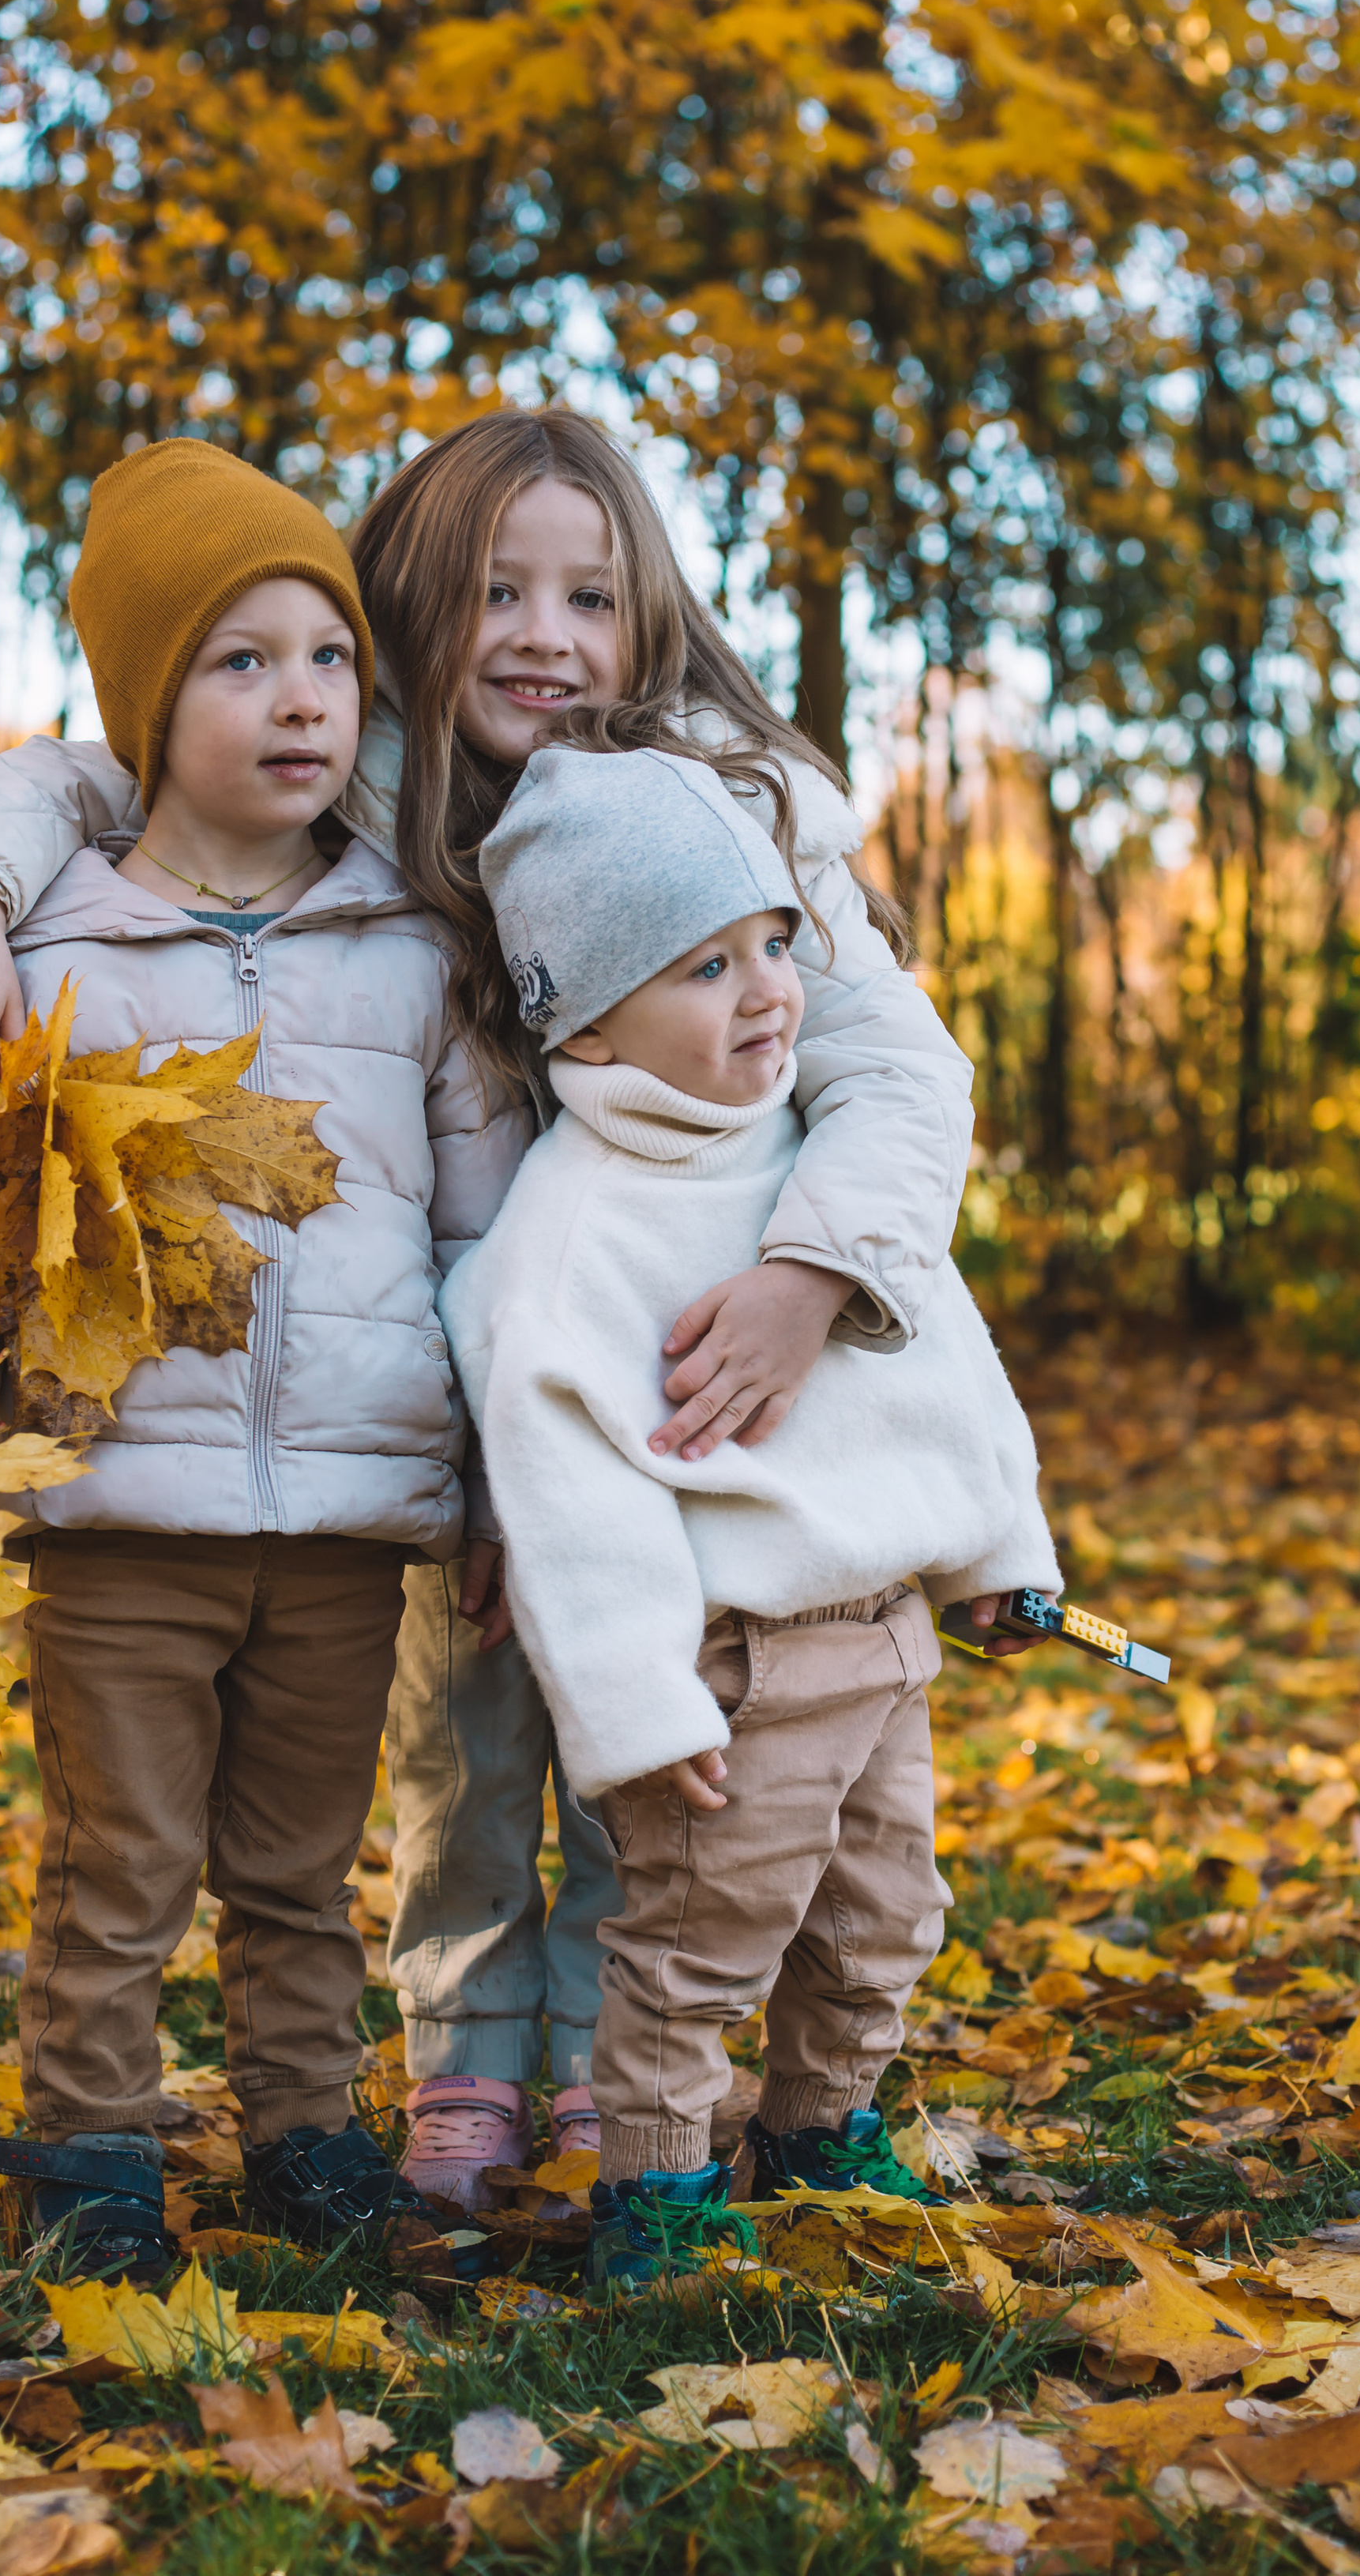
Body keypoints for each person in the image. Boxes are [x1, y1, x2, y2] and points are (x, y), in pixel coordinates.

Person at [0, 412, 979, 2209]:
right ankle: (467, 2052)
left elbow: (895, 1072)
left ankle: (626, 2067)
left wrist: (812, 1275)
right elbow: (91, 772)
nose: (545, 634)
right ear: (411, 611)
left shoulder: (723, 807)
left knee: (667, 1712)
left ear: (650, 623)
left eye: (589, 596)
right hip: (420, 1360)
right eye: (496, 593)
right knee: (458, 1711)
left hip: (687, 1345)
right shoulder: (351, 789)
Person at [0, 438, 523, 2279]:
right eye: (240, 663)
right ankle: (90, 2148)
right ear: (147, 708)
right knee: (119, 1862)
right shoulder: (54, 942)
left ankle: (305, 2135)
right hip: (120, 1508)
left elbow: (487, 1238)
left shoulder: (412, 945)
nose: (301, 701)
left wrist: (495, 1469)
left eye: (328, 660)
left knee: (298, 1869)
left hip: (344, 1511)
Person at [438, 746, 1058, 2290]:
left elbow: (944, 1377)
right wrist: (638, 1705)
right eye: (705, 965)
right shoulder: (569, 1235)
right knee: (701, 1946)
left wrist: (1002, 1558)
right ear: (581, 1019)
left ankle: (819, 2121)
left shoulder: (805, 1162)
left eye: (774, 943)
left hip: (884, 1642)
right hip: (734, 1674)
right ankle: (654, 2185)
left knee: (881, 1918)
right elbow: (569, 1489)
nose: (768, 989)